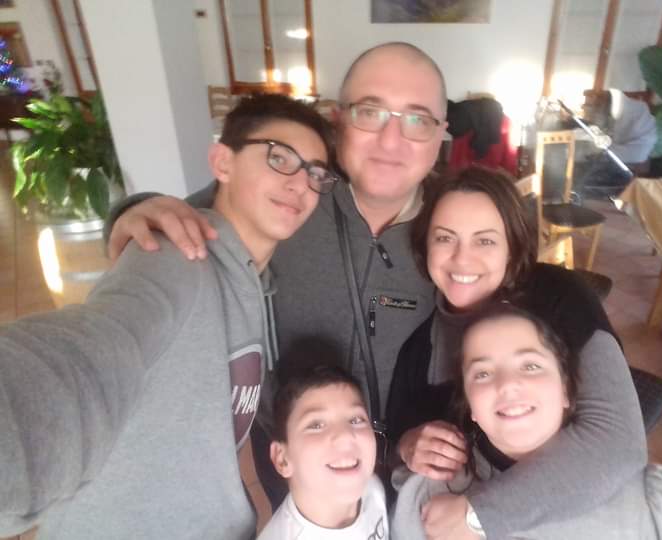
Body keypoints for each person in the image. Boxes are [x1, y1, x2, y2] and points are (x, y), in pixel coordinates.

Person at [105, 41, 447, 507]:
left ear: (440, 134)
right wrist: (136, 210)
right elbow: (189, 215)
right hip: (291, 460)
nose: (391, 141)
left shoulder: (455, 222)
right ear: (338, 119)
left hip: (409, 463)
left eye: (417, 120)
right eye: (370, 112)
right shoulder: (293, 193)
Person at [0, 93, 338, 539]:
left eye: (315, 173)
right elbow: (91, 353)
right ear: (222, 163)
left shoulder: (255, 278)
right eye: (279, 158)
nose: (300, 185)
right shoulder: (174, 257)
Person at [385, 166, 647, 539]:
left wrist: (481, 515)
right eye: (444, 238)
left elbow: (618, 442)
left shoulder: (559, 296)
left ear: (512, 246)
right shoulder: (418, 348)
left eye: (485, 241)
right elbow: (396, 441)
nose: (462, 259)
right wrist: (408, 445)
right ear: (424, 245)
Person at [392, 303, 662, 540]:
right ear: (470, 405)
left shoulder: (647, 498)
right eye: (482, 373)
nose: (508, 384)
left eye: (530, 366)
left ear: (566, 391)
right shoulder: (429, 491)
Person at [258, 357, 387, 539]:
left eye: (356, 420)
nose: (345, 435)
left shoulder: (372, 489)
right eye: (316, 425)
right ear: (282, 459)